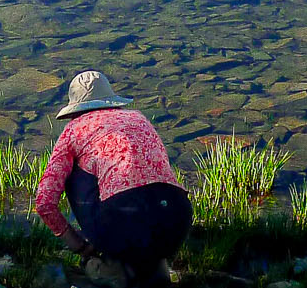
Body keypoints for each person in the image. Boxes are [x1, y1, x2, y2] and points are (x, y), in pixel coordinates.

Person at [34, 70, 193, 288]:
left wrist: (79, 245)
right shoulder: (138, 118)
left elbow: (44, 201)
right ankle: (155, 267)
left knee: (72, 174)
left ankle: (103, 266)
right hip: (177, 216)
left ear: (75, 109)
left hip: (122, 220)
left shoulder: (73, 130)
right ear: (111, 100)